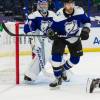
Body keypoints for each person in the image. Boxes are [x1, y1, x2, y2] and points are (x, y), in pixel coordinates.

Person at [48, 0, 91, 88]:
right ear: (64, 5)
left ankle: (63, 69)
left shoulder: (79, 11)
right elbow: (51, 28)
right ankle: (57, 78)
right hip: (61, 38)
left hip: (74, 37)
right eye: (68, 4)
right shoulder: (58, 15)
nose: (70, 6)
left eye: (72, 3)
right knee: (55, 59)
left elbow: (87, 21)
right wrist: (51, 33)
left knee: (75, 60)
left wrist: (86, 30)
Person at [23, 0, 59, 82]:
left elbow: (57, 25)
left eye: (45, 4)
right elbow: (28, 27)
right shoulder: (33, 15)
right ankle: (30, 74)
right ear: (38, 5)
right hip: (37, 40)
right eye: (42, 4)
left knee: (54, 54)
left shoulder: (52, 14)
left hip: (49, 41)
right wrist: (32, 38)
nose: (44, 6)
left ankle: (64, 72)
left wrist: (55, 32)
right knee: (44, 54)